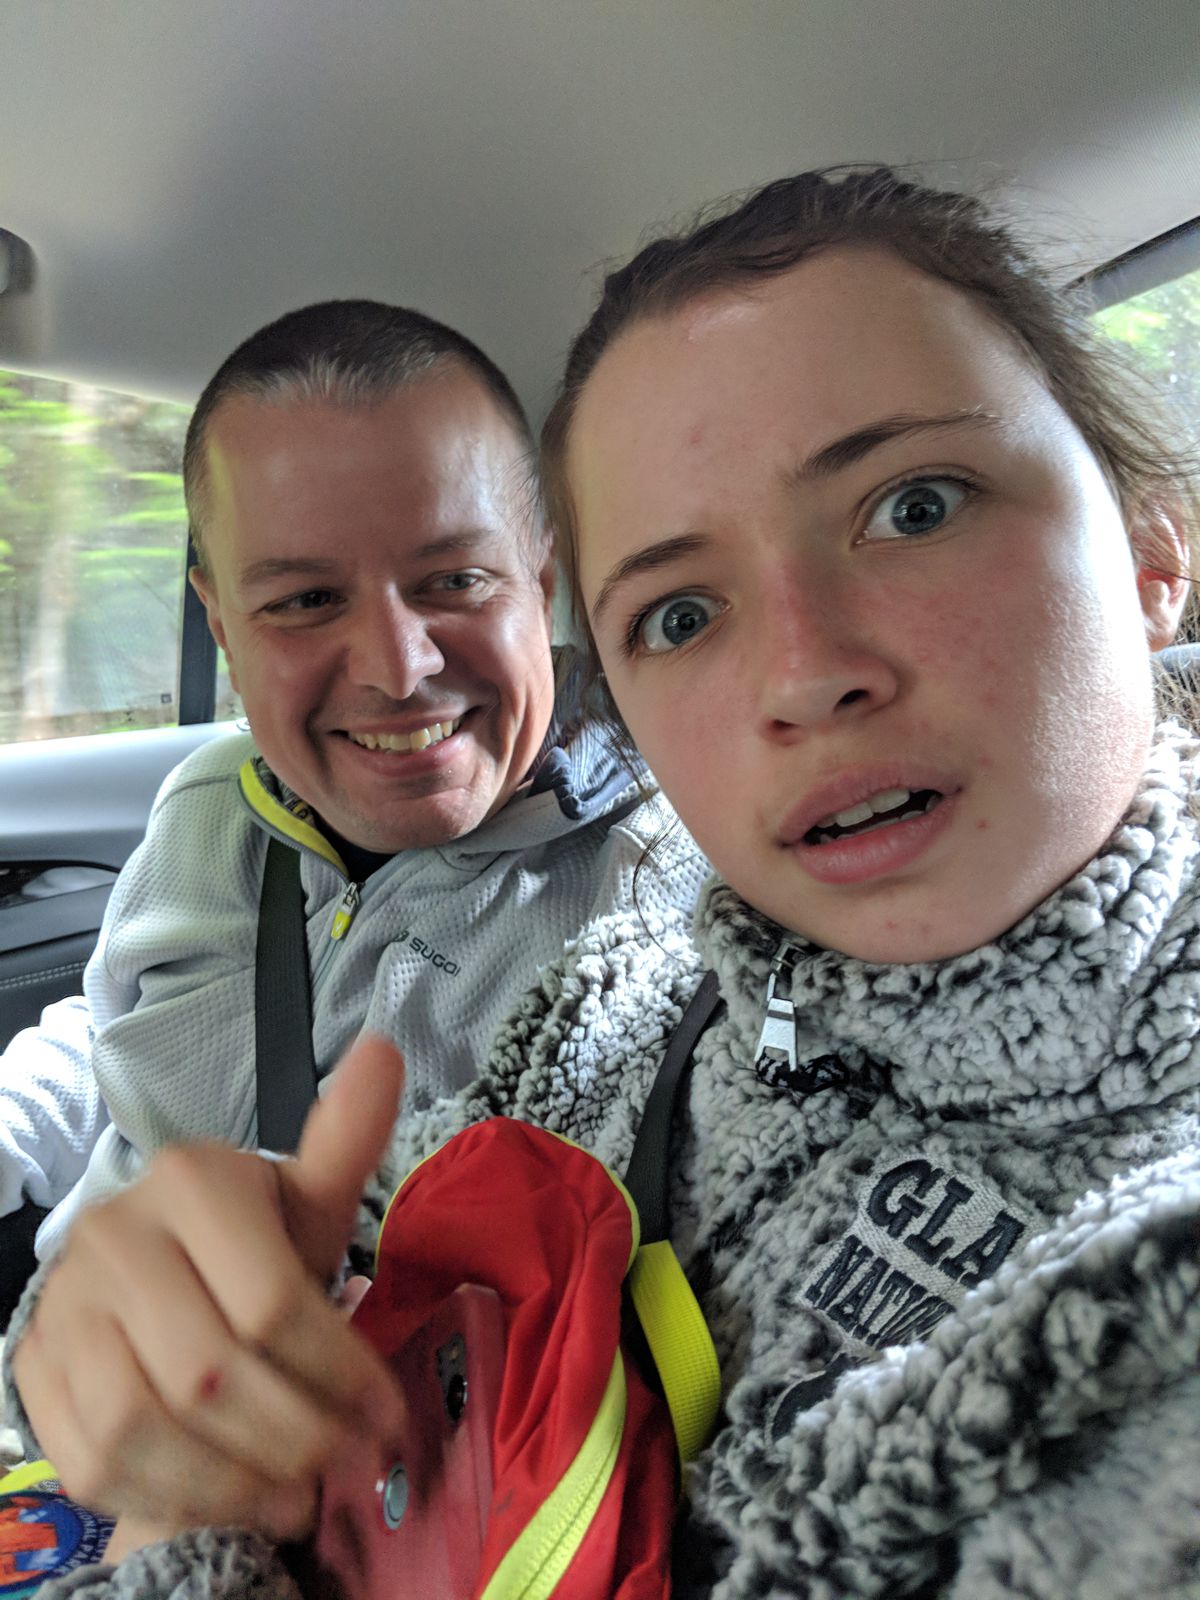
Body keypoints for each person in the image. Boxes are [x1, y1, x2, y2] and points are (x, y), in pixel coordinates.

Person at [7, 168, 1200, 1598]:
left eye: (915, 506)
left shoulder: (641, 904)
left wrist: (181, 1527)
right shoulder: (611, 1021)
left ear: (1153, 549)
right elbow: (140, 1056)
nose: (804, 672)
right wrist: (124, 1338)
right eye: (683, 612)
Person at [0, 299, 706, 1292]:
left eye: (454, 579)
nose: (397, 668)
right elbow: (130, 1032)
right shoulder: (211, 805)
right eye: (305, 601)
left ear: (543, 578)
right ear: (222, 626)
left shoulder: (667, 897)